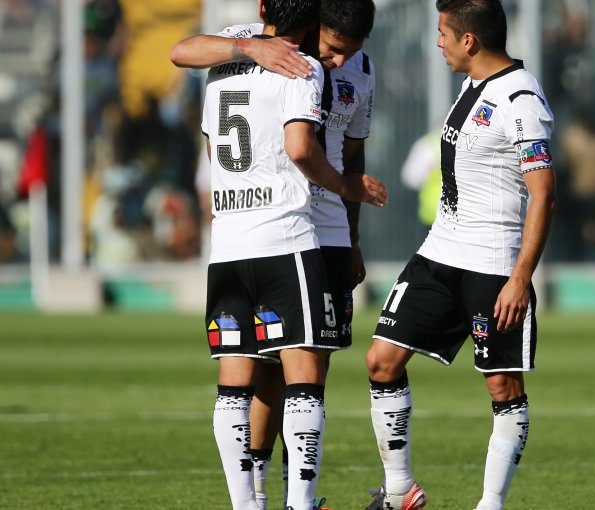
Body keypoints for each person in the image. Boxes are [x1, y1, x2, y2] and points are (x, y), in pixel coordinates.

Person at [172, 1, 378, 508]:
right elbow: (301, 148)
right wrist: (348, 187)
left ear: (264, 6)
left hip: (231, 237)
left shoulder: (223, 54)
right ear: (313, 23)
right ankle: (297, 503)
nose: (333, 61)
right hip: (287, 233)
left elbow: (183, 59)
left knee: (236, 378)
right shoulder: (298, 64)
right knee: (300, 374)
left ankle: (251, 503)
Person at [364, 1, 556, 509]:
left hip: (493, 267)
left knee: (502, 387)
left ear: (469, 40)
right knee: (381, 360)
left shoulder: (521, 97)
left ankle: (490, 504)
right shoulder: (472, 85)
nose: (438, 42)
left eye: (443, 33)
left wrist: (519, 278)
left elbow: (544, 194)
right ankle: (401, 490)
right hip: (439, 254)